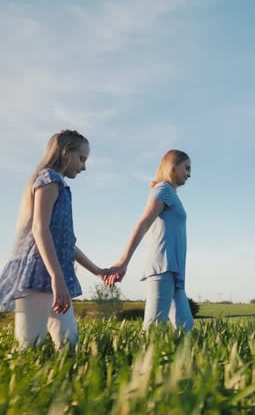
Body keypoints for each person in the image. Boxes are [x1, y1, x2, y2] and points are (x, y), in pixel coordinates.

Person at [0, 130, 107, 349]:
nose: (84, 166)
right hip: (37, 273)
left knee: (69, 343)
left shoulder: (59, 184)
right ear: (66, 153)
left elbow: (66, 243)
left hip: (54, 274)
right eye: (82, 158)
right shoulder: (48, 180)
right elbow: (40, 230)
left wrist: (97, 271)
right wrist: (56, 278)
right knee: (30, 346)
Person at [106, 150, 194, 332]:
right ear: (173, 166)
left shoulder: (172, 194)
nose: (189, 173)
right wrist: (124, 261)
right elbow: (144, 222)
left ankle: (182, 360)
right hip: (162, 266)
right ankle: (141, 359)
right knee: (154, 327)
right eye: (186, 168)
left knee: (186, 326)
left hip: (175, 270)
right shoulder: (163, 189)